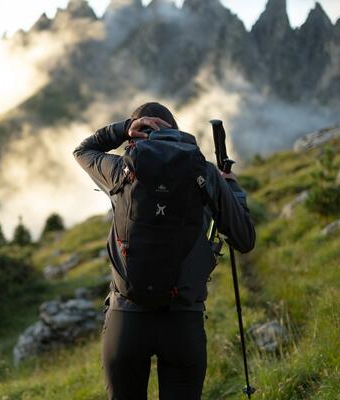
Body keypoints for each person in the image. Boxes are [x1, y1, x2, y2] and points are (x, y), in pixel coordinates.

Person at [73, 102, 256, 400]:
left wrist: (121, 128)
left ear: (136, 136)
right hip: (182, 321)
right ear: (176, 132)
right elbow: (244, 240)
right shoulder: (206, 174)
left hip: (126, 321)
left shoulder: (121, 170)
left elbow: (83, 151)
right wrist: (234, 191)